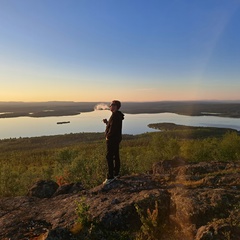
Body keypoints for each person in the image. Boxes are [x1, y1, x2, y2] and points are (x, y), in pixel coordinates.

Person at [102, 100, 124, 185]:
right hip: (116, 139)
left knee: (109, 157)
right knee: (116, 155)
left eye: (112, 105)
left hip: (112, 140)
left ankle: (110, 177)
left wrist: (108, 136)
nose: (110, 106)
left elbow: (113, 129)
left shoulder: (115, 116)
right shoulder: (117, 115)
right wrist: (107, 123)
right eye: (110, 105)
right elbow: (113, 126)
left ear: (115, 106)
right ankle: (116, 173)